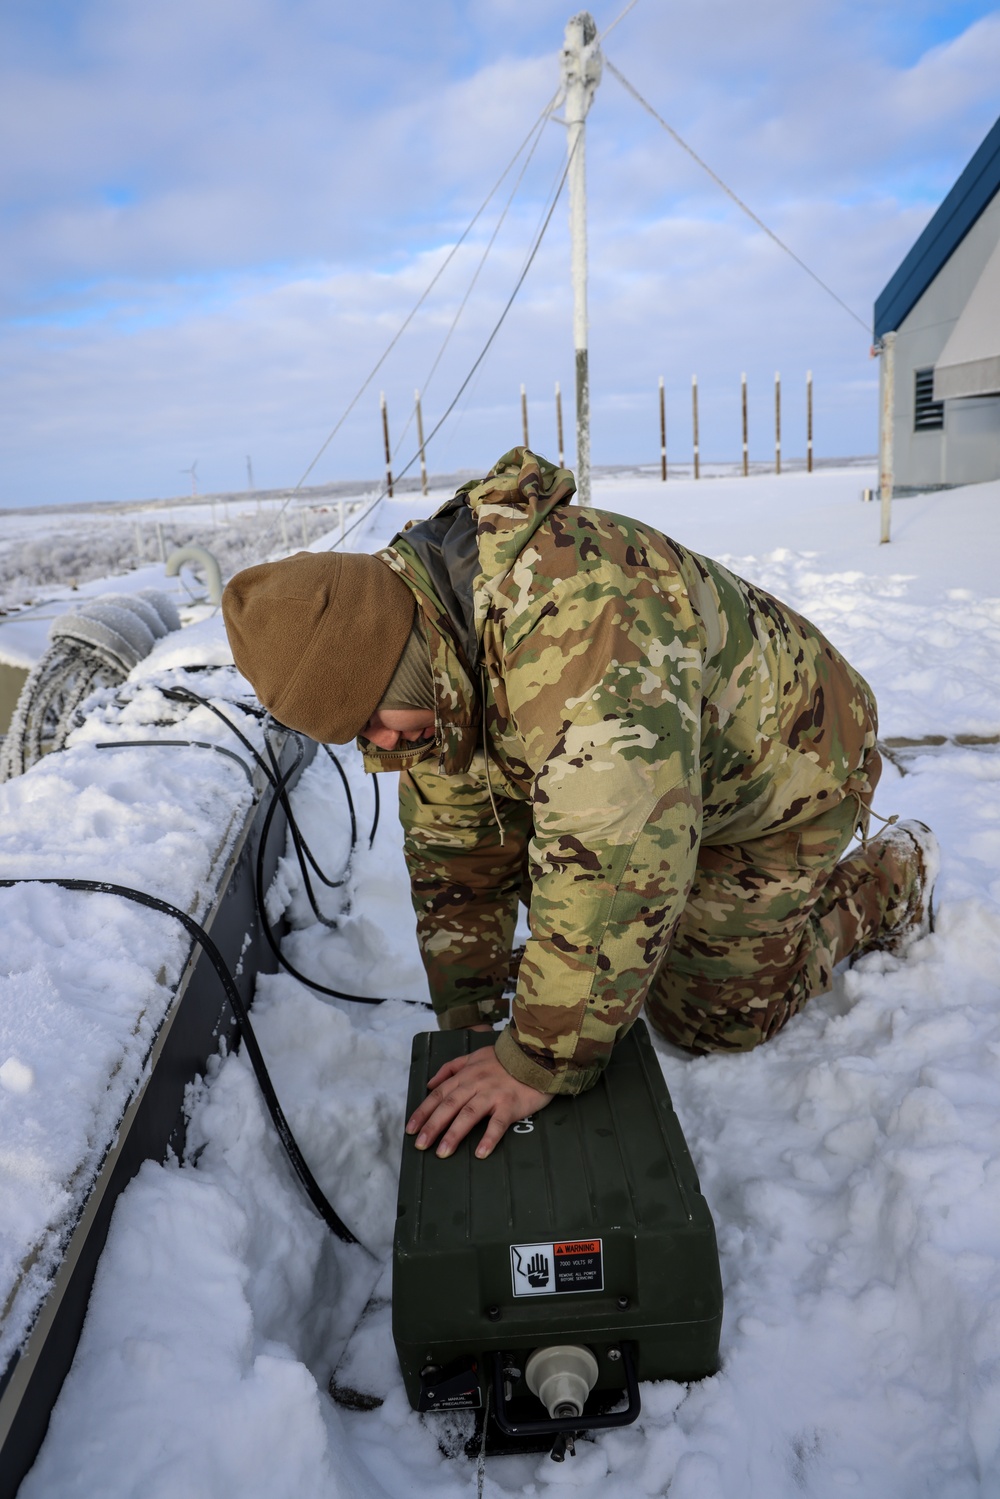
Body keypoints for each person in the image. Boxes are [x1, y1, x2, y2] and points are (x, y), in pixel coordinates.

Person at [222, 447, 938, 1163]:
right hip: (671, 785)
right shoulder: (438, 651)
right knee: (604, 947)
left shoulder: (584, 614)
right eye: (359, 737)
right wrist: (470, 1025)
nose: (380, 743)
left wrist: (535, 1058)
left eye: (374, 718)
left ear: (401, 656)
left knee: (712, 1023)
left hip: (788, 776)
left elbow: (617, 863)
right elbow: (456, 857)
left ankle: (890, 878)